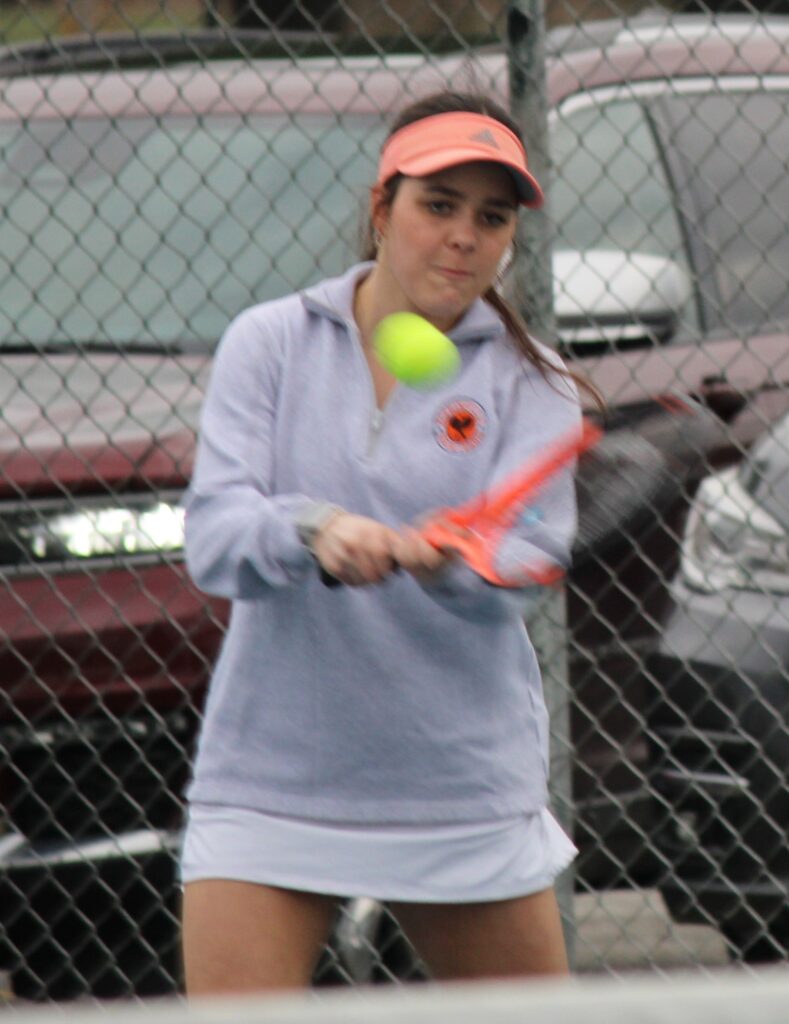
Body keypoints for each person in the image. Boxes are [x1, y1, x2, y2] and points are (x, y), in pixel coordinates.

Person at [179, 89, 599, 996]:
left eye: (491, 217)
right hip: (270, 784)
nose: (463, 237)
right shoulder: (270, 343)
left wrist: (453, 564)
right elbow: (214, 536)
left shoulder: (534, 383)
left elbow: (527, 565)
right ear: (381, 208)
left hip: (457, 790)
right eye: (437, 205)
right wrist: (316, 530)